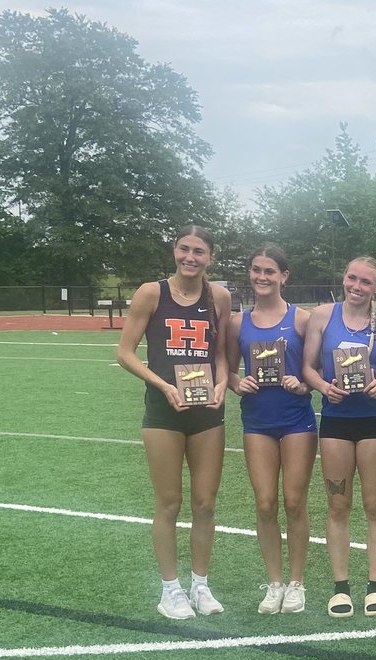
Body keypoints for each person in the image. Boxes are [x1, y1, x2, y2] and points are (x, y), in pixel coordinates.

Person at [116, 225, 231, 619]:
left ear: (210, 257)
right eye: (185, 249)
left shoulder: (219, 296)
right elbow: (125, 353)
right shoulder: (152, 292)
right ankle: (171, 590)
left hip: (207, 413)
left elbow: (220, 354)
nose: (191, 257)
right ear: (174, 250)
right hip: (164, 411)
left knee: (205, 503)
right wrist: (164, 385)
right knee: (169, 503)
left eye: (199, 251)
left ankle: (200, 584)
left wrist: (223, 383)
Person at [302, 256, 376, 618]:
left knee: (375, 505)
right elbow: (307, 369)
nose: (356, 287)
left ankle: (375, 586)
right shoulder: (322, 316)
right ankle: (340, 587)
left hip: (374, 422)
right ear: (344, 278)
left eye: (365, 282)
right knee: (338, 505)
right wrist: (324, 387)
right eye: (351, 278)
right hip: (335, 423)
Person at [226, 244, 316, 615]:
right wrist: (235, 382)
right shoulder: (237, 321)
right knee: (265, 504)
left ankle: (296, 583)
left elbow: (318, 372)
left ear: (284, 276)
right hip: (257, 422)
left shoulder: (302, 319)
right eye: (256, 270)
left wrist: (304, 384)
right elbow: (226, 368)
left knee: (294, 502)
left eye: (269, 271)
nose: (262, 277)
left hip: (297, 420)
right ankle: (274, 582)